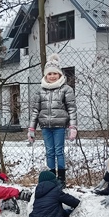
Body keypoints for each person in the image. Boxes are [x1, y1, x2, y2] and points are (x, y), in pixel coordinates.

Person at [28, 53, 77, 184]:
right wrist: (31, 128)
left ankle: (61, 179)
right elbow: (35, 111)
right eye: (49, 74)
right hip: (45, 127)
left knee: (59, 151)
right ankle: (51, 178)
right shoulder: (40, 91)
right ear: (45, 75)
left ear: (60, 74)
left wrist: (73, 127)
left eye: (55, 73)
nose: (52, 76)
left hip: (59, 126)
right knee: (49, 152)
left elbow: (71, 109)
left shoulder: (66, 89)